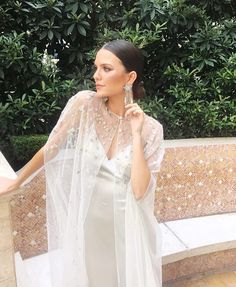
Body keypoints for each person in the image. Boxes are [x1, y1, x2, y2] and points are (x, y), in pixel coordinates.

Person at [0, 39, 164, 287]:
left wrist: (136, 135)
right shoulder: (85, 105)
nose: (96, 75)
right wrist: (18, 180)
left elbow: (141, 191)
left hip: (128, 231)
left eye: (106, 69)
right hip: (88, 225)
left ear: (130, 77)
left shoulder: (151, 129)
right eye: (96, 67)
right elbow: (52, 146)